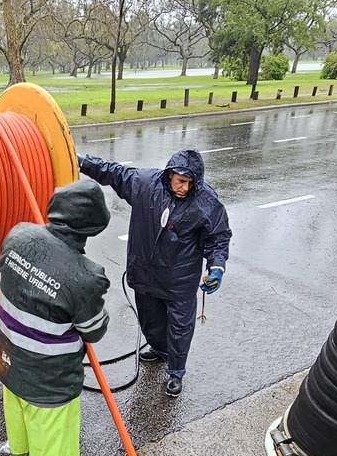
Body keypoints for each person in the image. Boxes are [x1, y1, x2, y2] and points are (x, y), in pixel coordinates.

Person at [0, 180, 111, 456]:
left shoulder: (17, 235)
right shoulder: (86, 277)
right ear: (93, 227)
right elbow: (94, 330)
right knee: (53, 435)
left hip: (8, 356)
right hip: (48, 377)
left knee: (16, 408)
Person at [78, 149, 232, 397]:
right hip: (145, 273)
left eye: (191, 183)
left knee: (180, 327)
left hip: (179, 281)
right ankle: (160, 350)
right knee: (150, 320)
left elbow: (218, 237)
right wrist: (83, 163)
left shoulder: (206, 202)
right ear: (170, 174)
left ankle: (176, 372)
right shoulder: (145, 184)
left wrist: (216, 266)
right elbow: (113, 173)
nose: (185, 187)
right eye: (181, 181)